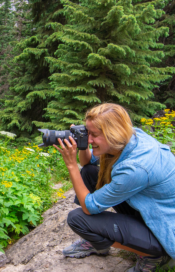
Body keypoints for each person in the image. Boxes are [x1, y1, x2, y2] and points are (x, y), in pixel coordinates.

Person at [53, 103, 175, 272]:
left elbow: (89, 207)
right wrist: (83, 144)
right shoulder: (130, 137)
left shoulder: (135, 168)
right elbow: (88, 163)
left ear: (112, 133)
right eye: (87, 133)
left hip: (164, 231)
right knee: (89, 172)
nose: (89, 140)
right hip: (149, 209)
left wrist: (71, 165)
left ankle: (154, 255)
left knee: (78, 219)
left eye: (93, 135)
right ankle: (99, 244)